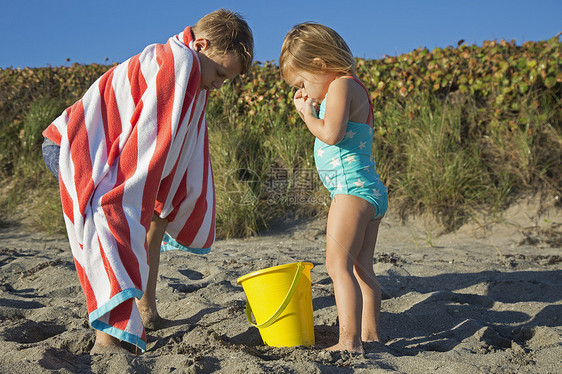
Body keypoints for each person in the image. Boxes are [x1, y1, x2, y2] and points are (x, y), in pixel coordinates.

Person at [41, 9, 253, 354]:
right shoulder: (175, 65)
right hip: (72, 147)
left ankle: (146, 311)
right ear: (201, 45)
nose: (219, 84)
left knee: (157, 215)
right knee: (114, 215)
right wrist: (125, 199)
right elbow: (143, 144)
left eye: (226, 79)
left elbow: (167, 142)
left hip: (106, 150)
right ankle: (107, 336)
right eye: (219, 73)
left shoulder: (190, 70)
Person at [279, 22, 388, 353]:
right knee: (361, 267)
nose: (304, 92)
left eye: (302, 83)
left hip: (351, 190)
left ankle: (349, 341)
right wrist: (313, 104)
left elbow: (330, 134)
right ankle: (370, 334)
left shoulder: (341, 85)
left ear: (319, 65)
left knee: (336, 266)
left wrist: (306, 114)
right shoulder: (351, 87)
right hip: (367, 189)